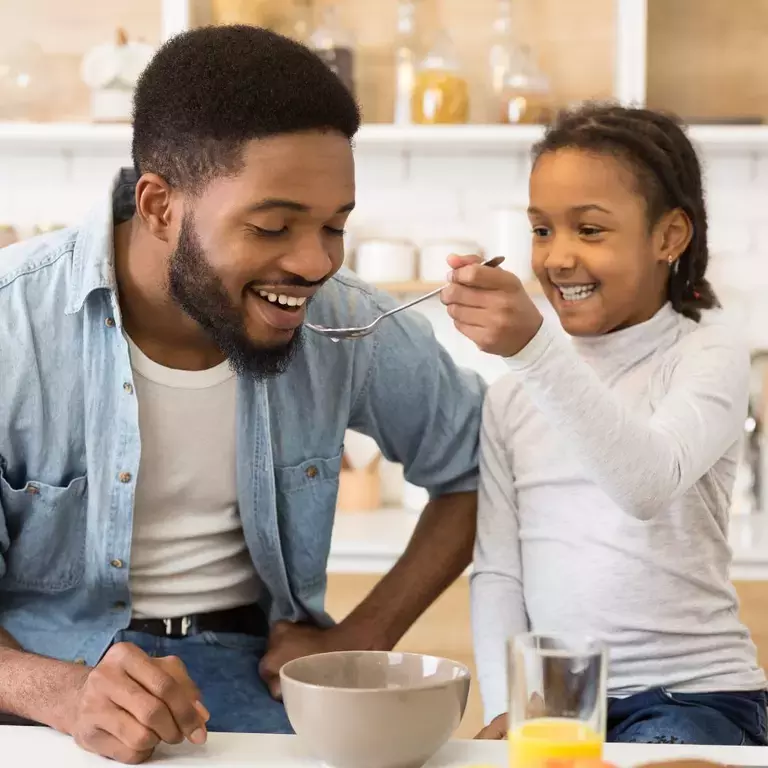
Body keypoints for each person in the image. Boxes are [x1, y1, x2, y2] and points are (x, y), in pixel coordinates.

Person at [0, 25, 485, 764]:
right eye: (272, 226)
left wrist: (364, 635)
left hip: (249, 670)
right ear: (159, 206)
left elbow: (477, 466)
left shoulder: (345, 320)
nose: (314, 262)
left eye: (335, 225)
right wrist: (57, 691)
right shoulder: (14, 321)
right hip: (36, 681)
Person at [441, 103, 768, 746]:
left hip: (691, 696)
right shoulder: (512, 397)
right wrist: (513, 705)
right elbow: (500, 572)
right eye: (541, 230)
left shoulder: (708, 355)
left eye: (589, 230)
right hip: (559, 704)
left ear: (669, 237)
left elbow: (646, 483)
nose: (558, 257)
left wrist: (534, 349)